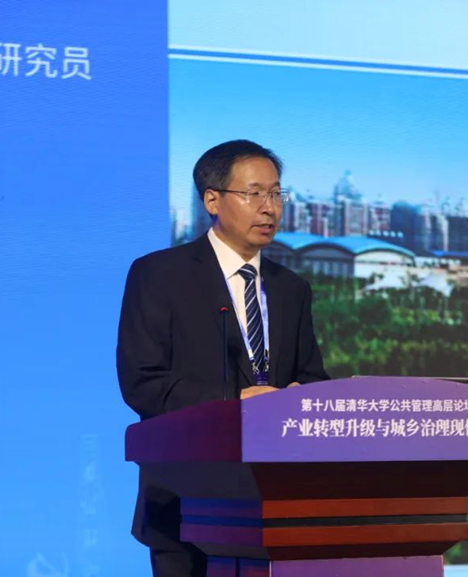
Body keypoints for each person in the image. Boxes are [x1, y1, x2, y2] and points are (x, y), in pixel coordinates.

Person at [117, 139, 329, 577]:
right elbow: (143, 381)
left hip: (278, 506)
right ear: (212, 200)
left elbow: (311, 377)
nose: (269, 207)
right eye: (254, 194)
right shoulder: (160, 274)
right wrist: (235, 402)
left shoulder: (291, 288)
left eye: (276, 194)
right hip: (184, 498)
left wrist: (302, 399)